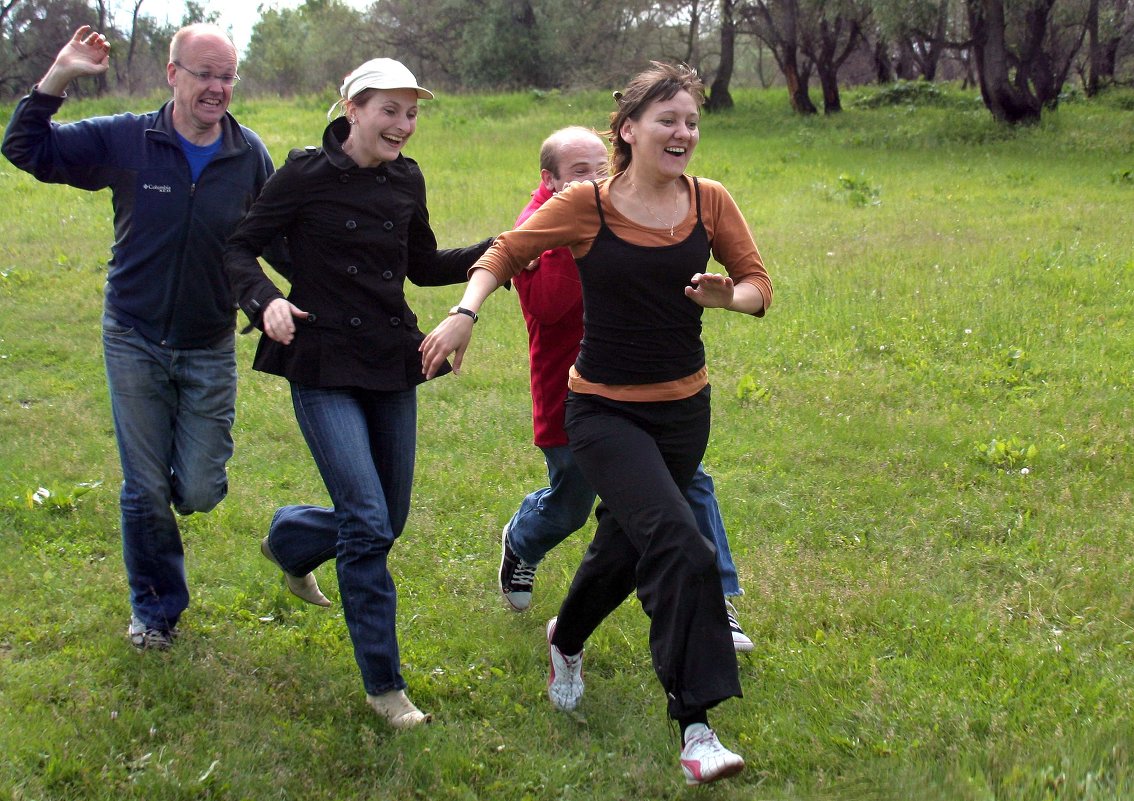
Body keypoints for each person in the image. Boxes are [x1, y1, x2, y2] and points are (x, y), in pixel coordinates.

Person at [421, 62, 771, 785]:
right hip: (604, 411)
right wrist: (464, 312)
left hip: (683, 411)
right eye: (668, 120)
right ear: (629, 130)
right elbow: (505, 250)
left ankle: (565, 636)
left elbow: (759, 286)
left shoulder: (711, 202)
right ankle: (696, 725)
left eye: (691, 122)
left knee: (621, 549)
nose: (683, 133)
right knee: (683, 544)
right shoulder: (589, 205)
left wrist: (726, 298)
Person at [224, 58, 493, 729]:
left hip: (390, 359)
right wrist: (265, 303)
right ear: (352, 108)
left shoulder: (407, 178)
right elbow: (236, 247)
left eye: (411, 112)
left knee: (384, 519)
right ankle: (384, 685)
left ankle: (290, 539)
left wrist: (503, 249)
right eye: (390, 110)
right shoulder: (305, 173)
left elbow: (424, 265)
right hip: (318, 360)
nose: (403, 125)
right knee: (368, 525)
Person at [2, 24, 280, 651]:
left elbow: (276, 238)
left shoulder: (248, 155)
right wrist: (60, 77)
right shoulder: (128, 139)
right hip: (133, 334)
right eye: (204, 73)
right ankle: (155, 612)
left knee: (201, 490)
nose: (217, 88)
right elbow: (26, 148)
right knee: (145, 485)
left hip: (209, 340)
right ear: (172, 73)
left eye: (227, 76)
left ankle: (171, 506)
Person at [499, 126, 754, 653]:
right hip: (575, 397)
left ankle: (717, 601)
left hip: (648, 392)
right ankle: (522, 541)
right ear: (548, 181)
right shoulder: (543, 227)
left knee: (690, 485)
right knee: (571, 504)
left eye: (601, 167)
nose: (595, 179)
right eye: (579, 172)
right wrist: (586, 241)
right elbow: (548, 308)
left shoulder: (635, 205)